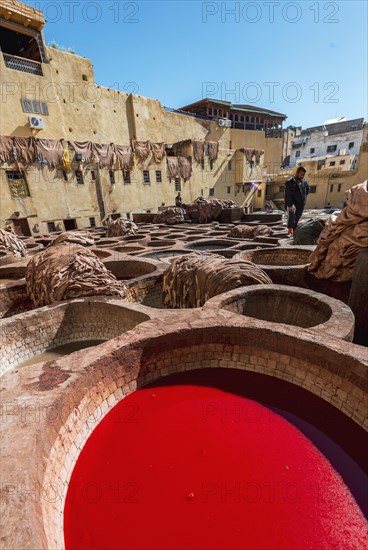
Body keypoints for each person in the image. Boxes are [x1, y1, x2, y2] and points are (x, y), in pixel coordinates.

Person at [284, 166, 310, 235]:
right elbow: (288, 194)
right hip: (292, 204)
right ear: (297, 173)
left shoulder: (304, 181)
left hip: (301, 204)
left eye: (303, 175)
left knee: (297, 219)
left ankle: (294, 232)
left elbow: (307, 190)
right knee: (291, 218)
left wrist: (304, 199)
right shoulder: (290, 182)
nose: (302, 176)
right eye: (301, 174)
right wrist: (290, 204)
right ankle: (289, 231)